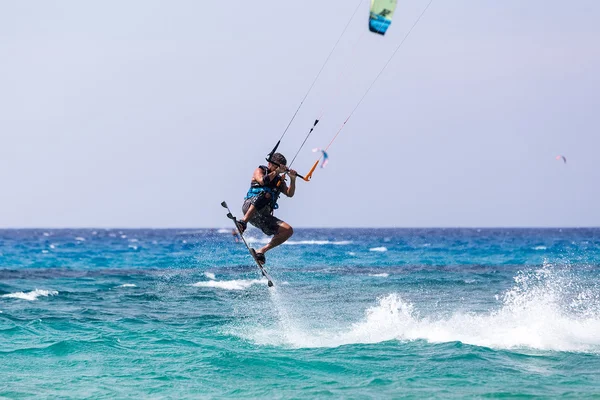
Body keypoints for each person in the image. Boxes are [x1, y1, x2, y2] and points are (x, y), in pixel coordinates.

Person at [236, 153, 296, 264]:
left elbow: (289, 193)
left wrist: (292, 179)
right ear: (269, 163)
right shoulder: (260, 170)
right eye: (277, 166)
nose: (279, 169)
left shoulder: (279, 181)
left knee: (288, 230)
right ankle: (243, 222)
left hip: (263, 217)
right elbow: (263, 181)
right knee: (266, 193)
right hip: (249, 207)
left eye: (281, 167)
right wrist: (277, 172)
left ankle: (261, 251)